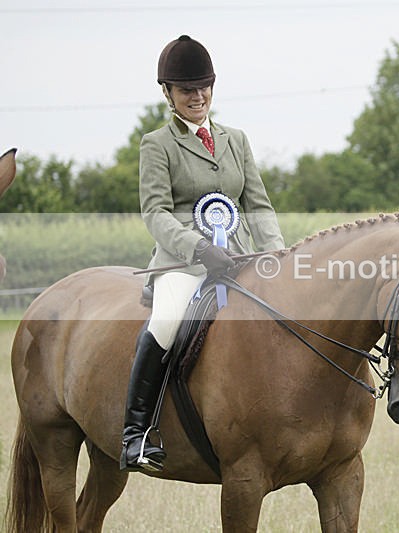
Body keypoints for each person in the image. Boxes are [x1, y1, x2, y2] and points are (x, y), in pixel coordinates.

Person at [120, 34, 285, 472]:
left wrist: (278, 255)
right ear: (168, 93)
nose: (197, 96)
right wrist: (197, 247)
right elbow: (155, 212)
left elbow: (258, 206)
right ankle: (136, 433)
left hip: (239, 259)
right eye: (186, 90)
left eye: (203, 87)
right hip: (184, 263)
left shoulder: (236, 140)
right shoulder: (157, 144)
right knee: (167, 321)